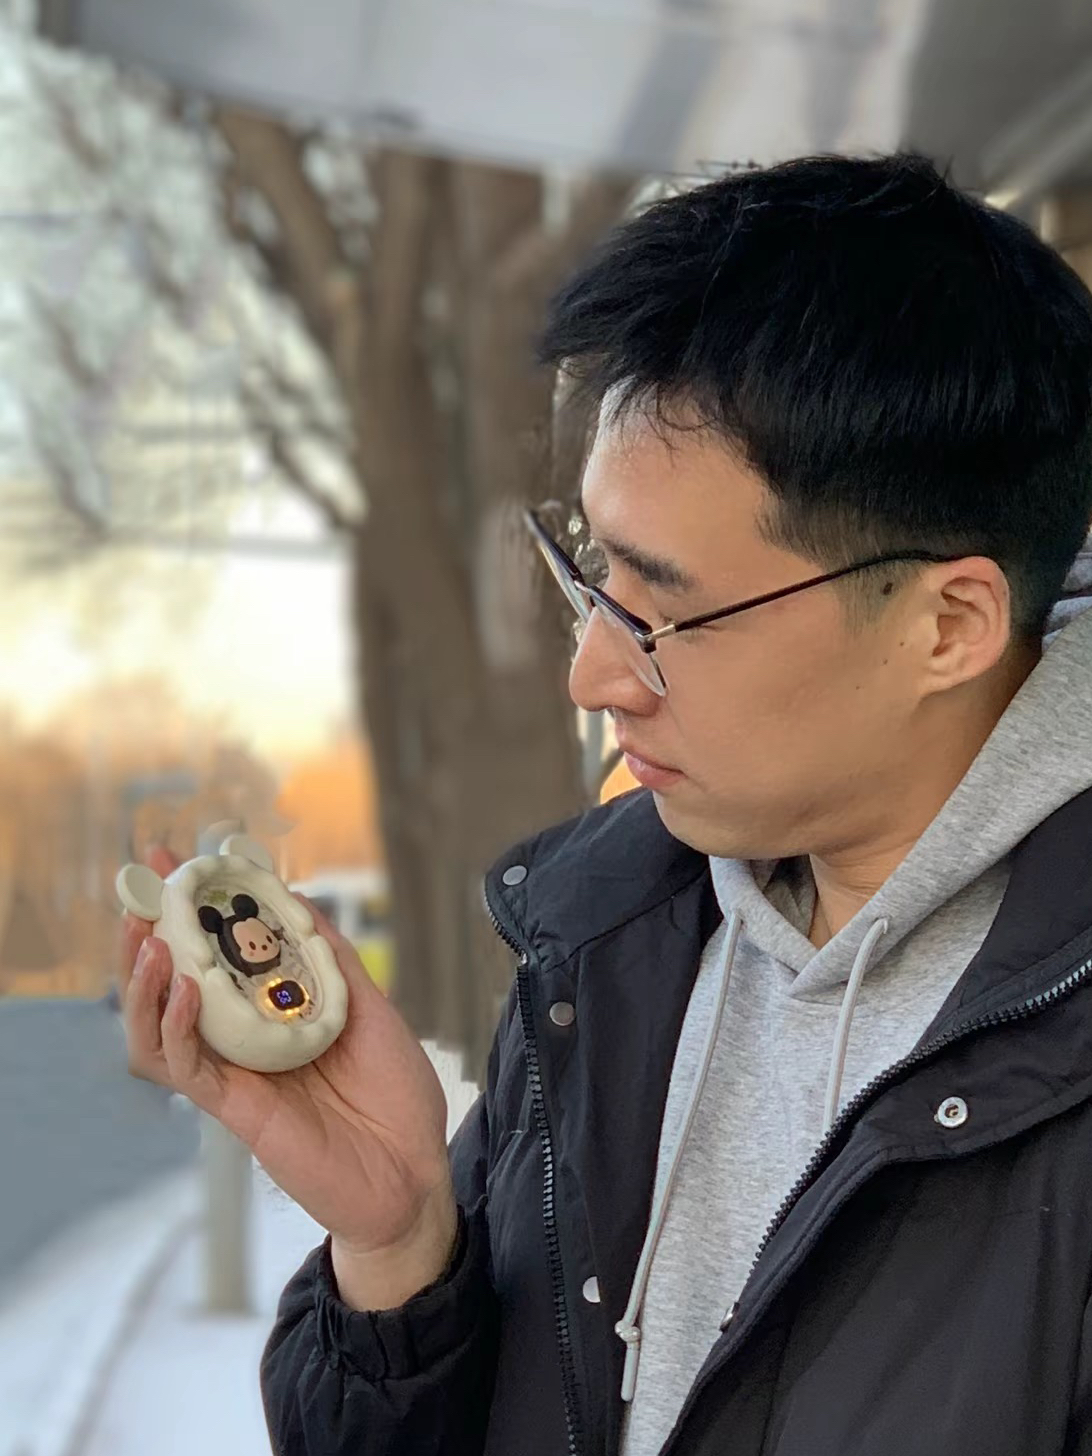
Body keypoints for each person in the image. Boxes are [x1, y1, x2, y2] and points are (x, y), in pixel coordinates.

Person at [119, 151, 1092, 1456]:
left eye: (665, 612)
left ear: (949, 625)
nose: (593, 674)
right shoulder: (606, 936)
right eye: (590, 573)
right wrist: (401, 1244)